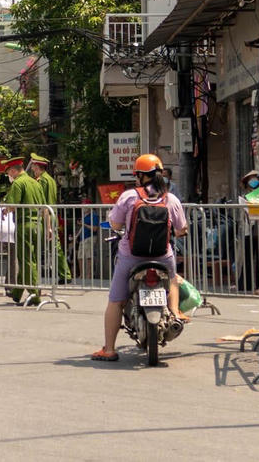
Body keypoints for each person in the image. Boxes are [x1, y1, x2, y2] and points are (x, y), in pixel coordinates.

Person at [92, 154, 188, 362]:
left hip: (131, 257)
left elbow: (116, 225)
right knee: (172, 280)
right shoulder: (170, 199)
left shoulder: (128, 197)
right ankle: (174, 313)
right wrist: (177, 232)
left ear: (140, 176)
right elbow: (181, 228)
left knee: (116, 301)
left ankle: (109, 349)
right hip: (163, 256)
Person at [1, 155, 47, 305]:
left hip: (25, 225)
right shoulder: (36, 183)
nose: (8, 175)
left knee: (26, 260)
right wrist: (48, 228)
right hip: (38, 225)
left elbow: (12, 206)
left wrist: (5, 209)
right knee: (30, 259)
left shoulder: (18, 184)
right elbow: (45, 207)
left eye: (8, 172)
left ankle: (35, 295)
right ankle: (16, 293)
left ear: (14, 171)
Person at [28, 153, 72, 284]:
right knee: (55, 246)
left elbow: (41, 200)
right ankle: (65, 274)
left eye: (33, 166)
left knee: (36, 244)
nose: (32, 169)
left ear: (38, 167)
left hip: (44, 216)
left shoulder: (41, 181)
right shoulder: (50, 180)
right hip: (52, 215)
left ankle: (33, 276)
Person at [238, 172, 259, 293]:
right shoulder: (245, 196)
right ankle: (246, 283)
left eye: (255, 179)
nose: (253, 181)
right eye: (251, 179)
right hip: (248, 229)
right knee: (248, 257)